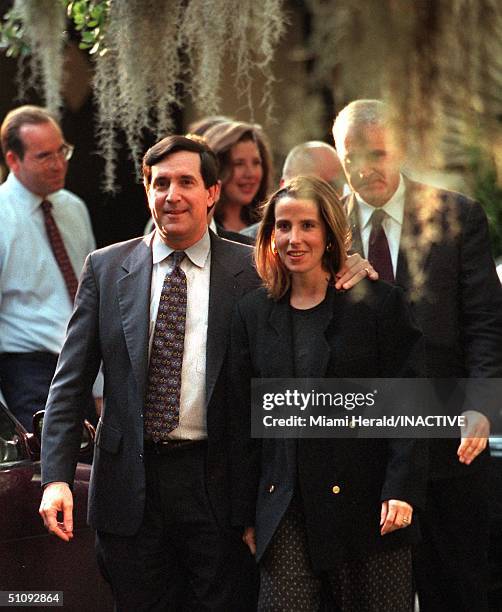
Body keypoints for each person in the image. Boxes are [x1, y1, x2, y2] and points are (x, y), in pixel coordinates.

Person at [39, 135, 260, 611]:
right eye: (160, 183)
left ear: (212, 193)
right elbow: (70, 381)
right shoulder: (106, 267)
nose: (172, 195)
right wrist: (55, 477)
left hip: (217, 486)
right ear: (147, 191)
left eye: (186, 182)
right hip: (129, 489)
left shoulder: (252, 270)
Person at [332, 99, 502, 611]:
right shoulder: (322, 224)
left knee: (459, 586)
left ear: (402, 148)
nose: (366, 169)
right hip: (363, 445)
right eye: (352, 157)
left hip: (448, 435)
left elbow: (487, 324)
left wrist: (483, 405)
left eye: (379, 154)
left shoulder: (455, 216)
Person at [229, 175, 427, 611]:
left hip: (370, 506)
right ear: (269, 235)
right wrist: (246, 514)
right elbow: (241, 423)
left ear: (330, 234)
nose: (294, 239)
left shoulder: (379, 305)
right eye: (283, 226)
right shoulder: (252, 314)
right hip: (286, 509)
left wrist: (402, 488)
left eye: (307, 226)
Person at [0, 105, 100, 431]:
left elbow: (91, 299)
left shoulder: (73, 208)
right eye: (44, 156)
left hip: (79, 362)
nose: (59, 164)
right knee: (48, 474)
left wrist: (99, 384)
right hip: (26, 369)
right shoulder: (3, 214)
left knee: (89, 473)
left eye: (62, 151)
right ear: (13, 160)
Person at [240, 140, 349, 240]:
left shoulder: (354, 239)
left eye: (332, 186)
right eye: (310, 189)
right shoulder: (246, 244)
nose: (325, 197)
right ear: (283, 188)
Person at [204, 120, 272, 232]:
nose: (250, 173)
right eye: (238, 164)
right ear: (218, 169)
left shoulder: (270, 224)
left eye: (256, 163)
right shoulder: (204, 227)